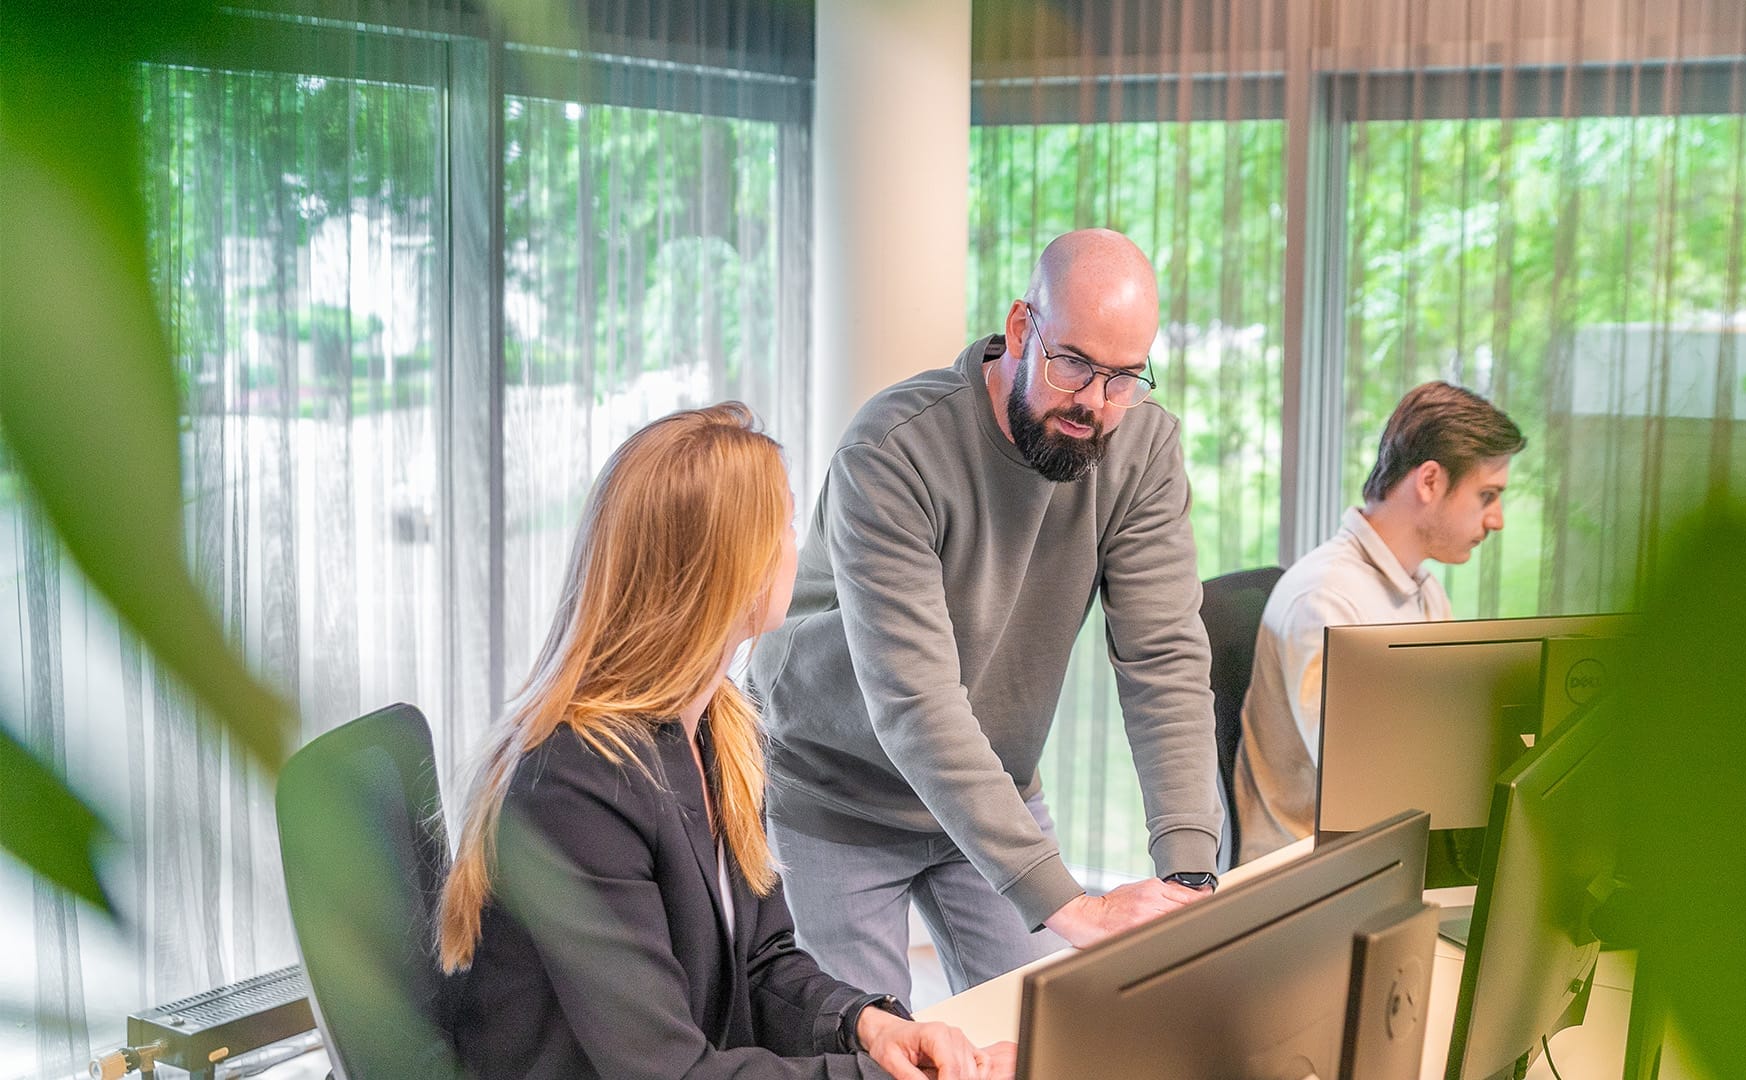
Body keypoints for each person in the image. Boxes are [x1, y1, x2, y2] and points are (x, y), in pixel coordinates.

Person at [435, 404, 1011, 1080]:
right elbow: (671, 1072)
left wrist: (868, 1027)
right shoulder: (575, 784)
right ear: (729, 572)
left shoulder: (714, 728)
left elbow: (761, 963)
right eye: (788, 524)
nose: (798, 544)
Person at [748, 229, 1222, 1006]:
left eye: (1125, 378)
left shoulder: (1140, 448)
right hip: (837, 791)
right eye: (1074, 365)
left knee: (1045, 1033)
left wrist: (1190, 872)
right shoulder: (894, 448)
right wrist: (1070, 903)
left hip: (994, 782)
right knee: (863, 1052)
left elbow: (1163, 658)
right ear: (1019, 328)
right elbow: (915, 699)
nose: (1096, 404)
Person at [1232, 381, 1525, 862]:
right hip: (1311, 881)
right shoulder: (1326, 600)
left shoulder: (1422, 590)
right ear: (1430, 482)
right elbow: (1363, 789)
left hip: (1388, 858)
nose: (1497, 521)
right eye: (1487, 495)